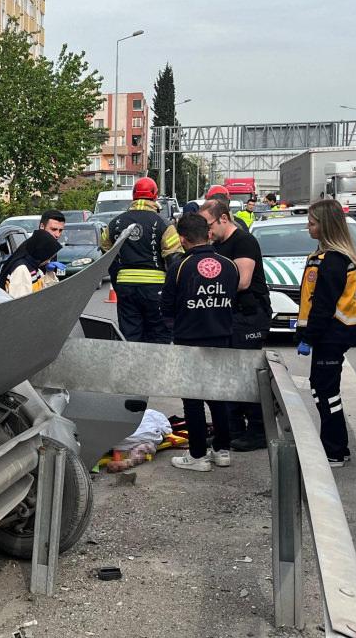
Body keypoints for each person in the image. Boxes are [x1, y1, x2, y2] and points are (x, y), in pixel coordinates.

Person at [162, 213, 239, 471]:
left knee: (193, 399)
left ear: (182, 239)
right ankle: (222, 449)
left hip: (189, 340)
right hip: (222, 338)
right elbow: (232, 302)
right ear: (208, 234)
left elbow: (167, 308)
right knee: (219, 395)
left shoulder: (180, 267)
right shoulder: (229, 265)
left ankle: (197, 455)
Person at [296, 199, 356, 467]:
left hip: (331, 335)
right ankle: (337, 447)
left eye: (312, 223)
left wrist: (308, 337)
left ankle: (334, 450)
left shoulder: (333, 260)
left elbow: (323, 305)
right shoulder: (328, 257)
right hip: (332, 334)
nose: (308, 227)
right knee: (324, 391)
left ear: (326, 226)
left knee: (326, 393)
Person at [202, 198, 271, 451]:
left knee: (246, 375)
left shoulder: (243, 241)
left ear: (223, 218)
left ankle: (257, 431)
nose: (207, 232)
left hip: (248, 315)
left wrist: (209, 287)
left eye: (208, 225)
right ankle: (232, 430)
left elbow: (242, 281)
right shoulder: (217, 244)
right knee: (227, 375)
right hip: (228, 316)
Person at [99, 177, 182, 343]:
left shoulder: (115, 223)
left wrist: (118, 280)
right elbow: (174, 259)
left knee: (129, 335)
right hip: (156, 289)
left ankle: (131, 368)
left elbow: (106, 254)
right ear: (155, 197)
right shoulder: (163, 224)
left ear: (133, 197)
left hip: (125, 288)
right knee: (159, 334)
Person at [0, 228, 62, 298]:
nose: (48, 261)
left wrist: (50, 273)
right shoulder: (22, 270)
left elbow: (47, 289)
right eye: (48, 257)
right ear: (41, 254)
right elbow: (20, 303)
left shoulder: (35, 267)